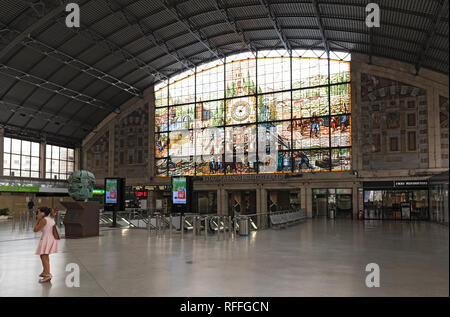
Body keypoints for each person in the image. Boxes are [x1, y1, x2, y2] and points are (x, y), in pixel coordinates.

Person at [33, 207, 58, 283]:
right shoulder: (51, 218)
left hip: (46, 239)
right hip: (51, 238)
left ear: (43, 213)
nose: (38, 213)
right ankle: (45, 271)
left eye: (39, 212)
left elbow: (35, 230)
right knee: (44, 256)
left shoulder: (44, 220)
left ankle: (48, 275)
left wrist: (38, 219)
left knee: (44, 256)